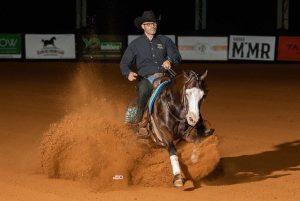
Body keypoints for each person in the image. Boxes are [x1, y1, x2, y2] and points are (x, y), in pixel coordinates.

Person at [120, 10, 213, 136]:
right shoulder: (135, 45)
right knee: (143, 92)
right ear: (143, 26)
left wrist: (170, 60)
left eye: (154, 23)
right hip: (146, 79)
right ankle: (140, 122)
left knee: (187, 92)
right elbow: (124, 63)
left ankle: (199, 125)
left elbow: (177, 57)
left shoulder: (165, 41)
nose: (152, 26)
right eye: (149, 24)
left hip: (166, 77)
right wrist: (128, 73)